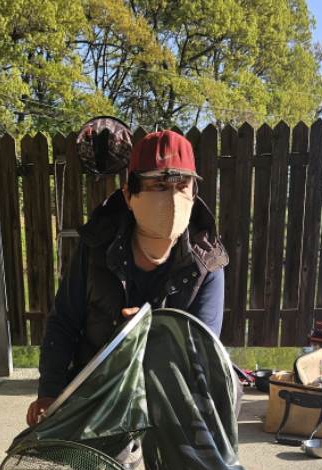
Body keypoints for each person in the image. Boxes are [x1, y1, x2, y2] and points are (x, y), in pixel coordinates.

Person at [26, 129, 229, 427]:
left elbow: (203, 353)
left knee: (224, 401)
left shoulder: (208, 262)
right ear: (129, 195)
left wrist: (151, 331)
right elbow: (63, 322)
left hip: (170, 394)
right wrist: (49, 393)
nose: (173, 199)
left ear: (193, 193)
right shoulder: (95, 247)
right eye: (158, 186)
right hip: (98, 386)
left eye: (182, 186)